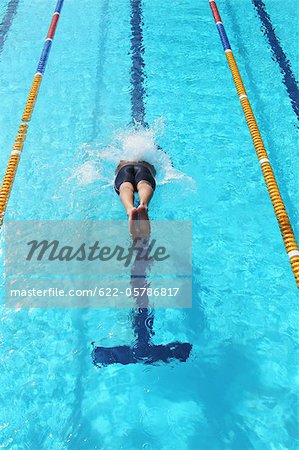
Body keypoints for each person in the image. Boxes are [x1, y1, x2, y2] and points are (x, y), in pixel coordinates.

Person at [114, 160, 156, 238]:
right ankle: (144, 205)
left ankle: (129, 209)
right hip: (144, 168)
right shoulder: (148, 155)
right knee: (144, 184)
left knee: (125, 186)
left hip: (124, 168)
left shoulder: (123, 157)